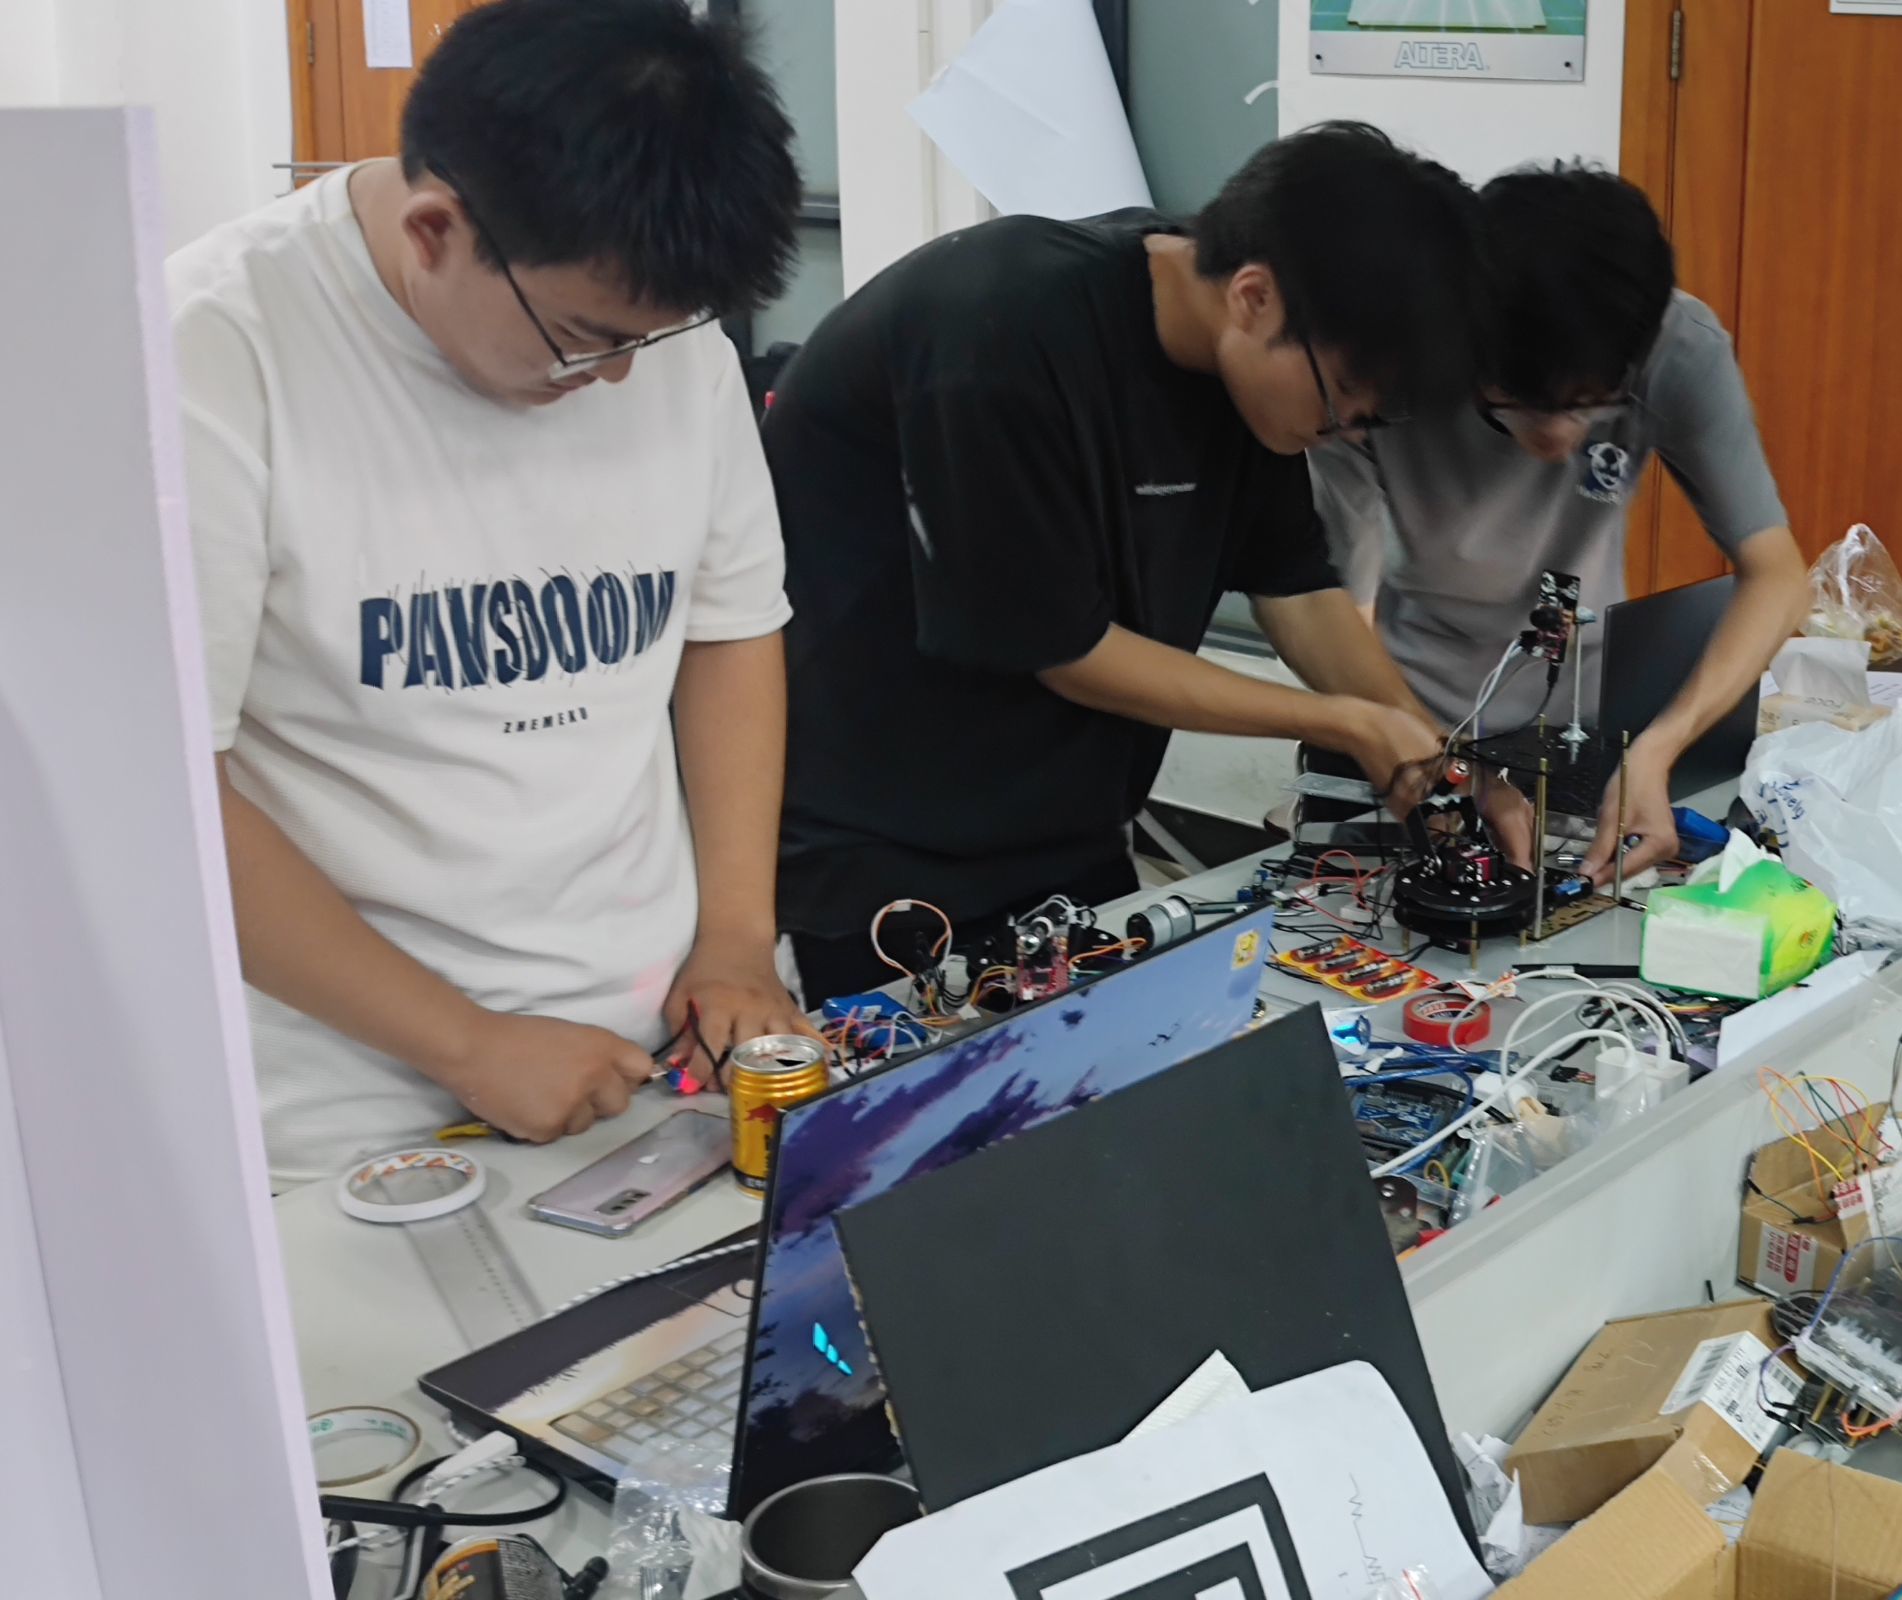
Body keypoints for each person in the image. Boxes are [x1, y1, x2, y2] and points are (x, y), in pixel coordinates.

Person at [172, 0, 812, 1187]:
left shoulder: (661, 341)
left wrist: (734, 937)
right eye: (581, 338)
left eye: (649, 341)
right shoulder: (210, 355)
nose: (615, 377)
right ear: (435, 230)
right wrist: (465, 1043)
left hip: (658, 1049)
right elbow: (164, 788)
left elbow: (728, 633)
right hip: (360, 1103)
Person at [764, 125, 1481, 1001]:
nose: (1344, 435)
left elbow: (1296, 589)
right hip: (881, 852)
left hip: (1069, 835)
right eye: (1343, 409)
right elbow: (1064, 650)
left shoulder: (1245, 375)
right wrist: (1350, 726)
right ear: (1255, 297)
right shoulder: (1001, 330)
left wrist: (1433, 760)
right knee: (924, 1081)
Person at [1312, 163, 1806, 885]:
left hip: (1574, 728)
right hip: (1399, 711)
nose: (1557, 438)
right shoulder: (1381, 364)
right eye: (1516, 401)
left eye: (1590, 404)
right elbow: (1334, 617)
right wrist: (1444, 767)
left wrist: (1659, 747)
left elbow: (1778, 575)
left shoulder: (1679, 348)